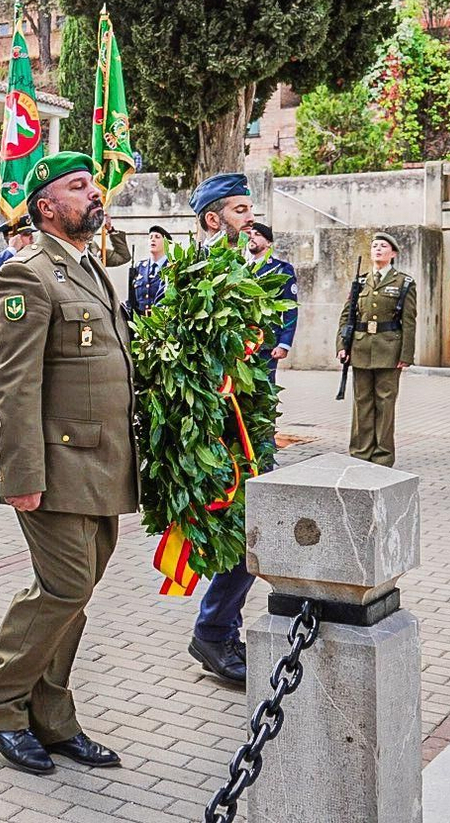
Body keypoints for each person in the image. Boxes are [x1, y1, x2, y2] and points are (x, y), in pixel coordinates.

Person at [0, 152, 137, 775]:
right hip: (58, 465)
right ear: (46, 206)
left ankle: (51, 716)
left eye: (93, 184)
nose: (95, 193)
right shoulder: (27, 274)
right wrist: (21, 477)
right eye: (79, 186)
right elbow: (15, 385)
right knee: (63, 588)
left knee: (76, 594)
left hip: (103, 462)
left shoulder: (89, 266)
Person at [183, 173, 259, 687]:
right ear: (213, 219)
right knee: (245, 528)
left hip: (244, 419)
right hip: (217, 427)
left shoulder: (239, 267)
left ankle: (221, 628)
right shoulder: (200, 273)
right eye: (240, 210)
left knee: (248, 531)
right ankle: (213, 631)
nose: (250, 218)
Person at [338, 232, 416, 467]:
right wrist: (342, 345)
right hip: (361, 348)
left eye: (383, 246)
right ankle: (361, 452)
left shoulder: (404, 282)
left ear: (393, 253)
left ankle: (382, 456)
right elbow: (346, 316)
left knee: (385, 404)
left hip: (389, 350)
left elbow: (409, 322)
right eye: (374, 246)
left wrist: (406, 355)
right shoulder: (360, 281)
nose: (378, 249)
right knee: (361, 403)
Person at [246, 222, 297, 377]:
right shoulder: (241, 269)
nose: (252, 237)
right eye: (250, 234)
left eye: (257, 234)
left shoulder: (281, 269)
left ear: (269, 243)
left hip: (266, 342)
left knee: (264, 386)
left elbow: (290, 308)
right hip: (241, 340)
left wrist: (284, 343)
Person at [128, 224, 172, 315]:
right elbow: (132, 300)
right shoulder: (139, 266)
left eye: (157, 237)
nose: (153, 239)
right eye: (150, 237)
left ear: (167, 243)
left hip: (162, 320)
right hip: (140, 321)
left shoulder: (171, 267)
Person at [0, 216, 35, 284]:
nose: (32, 238)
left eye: (31, 233)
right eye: (27, 234)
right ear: (12, 238)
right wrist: (12, 249)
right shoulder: (5, 259)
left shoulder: (33, 256)